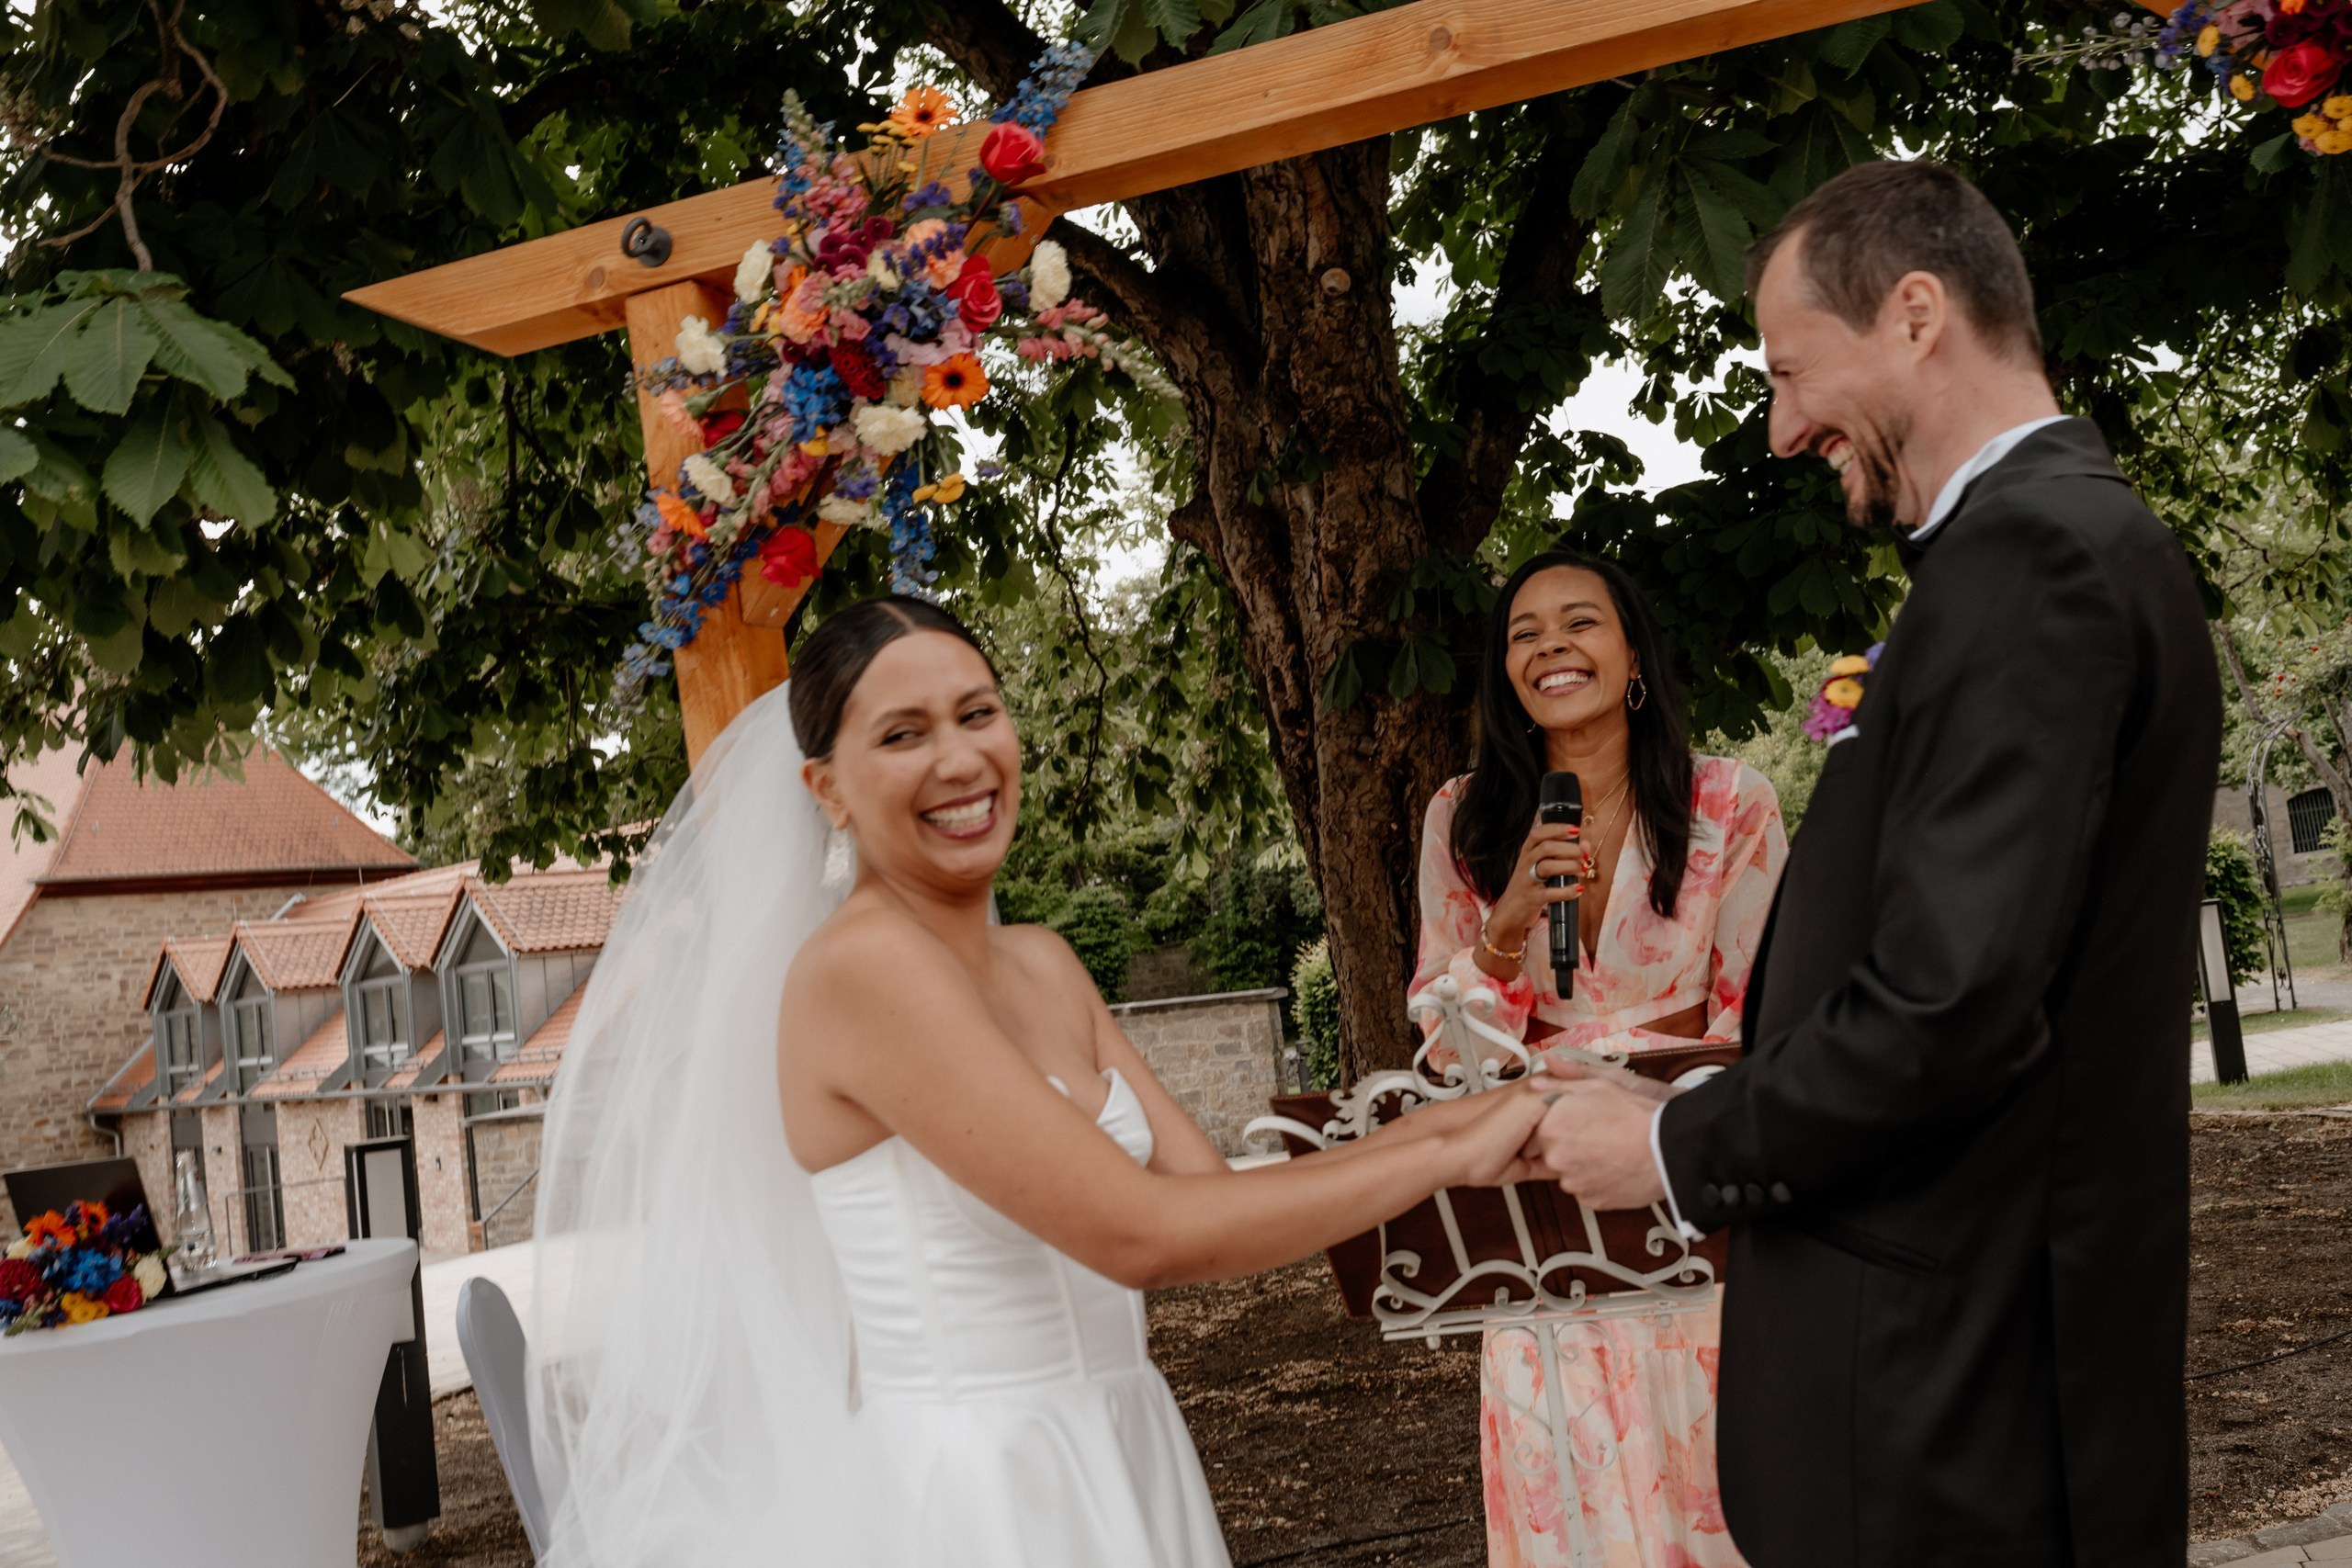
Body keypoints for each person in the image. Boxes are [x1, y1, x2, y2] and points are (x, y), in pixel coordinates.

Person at [526, 594, 1555, 1568]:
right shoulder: (861, 971)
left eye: (978, 713)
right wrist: (1442, 1146)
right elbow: (1138, 1236)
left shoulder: (1045, 963)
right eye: (902, 734)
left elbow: (1210, 1208)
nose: (960, 758)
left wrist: (1441, 1132)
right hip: (977, 1483)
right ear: (826, 788)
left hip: (1118, 1439)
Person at [1531, 161, 2222, 1567]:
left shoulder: (2035, 560)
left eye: (1791, 370)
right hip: (1957, 1375)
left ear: (1917, 314)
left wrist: (1669, 1139)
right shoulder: (2039, 544)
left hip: (1951, 1399)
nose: (1781, 428)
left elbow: (1949, 1004)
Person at [1409, 549, 1787, 1568]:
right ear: (1505, 676)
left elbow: (1769, 1020)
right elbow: (1447, 1054)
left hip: (1688, 1193)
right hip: (1542, 1211)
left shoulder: (1729, 804)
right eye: (1522, 633)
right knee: (1573, 1504)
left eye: (1578, 622)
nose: (1549, 647)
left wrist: (1650, 1105)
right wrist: (1507, 923)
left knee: (1724, 1495)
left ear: (1631, 660)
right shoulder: (1461, 819)